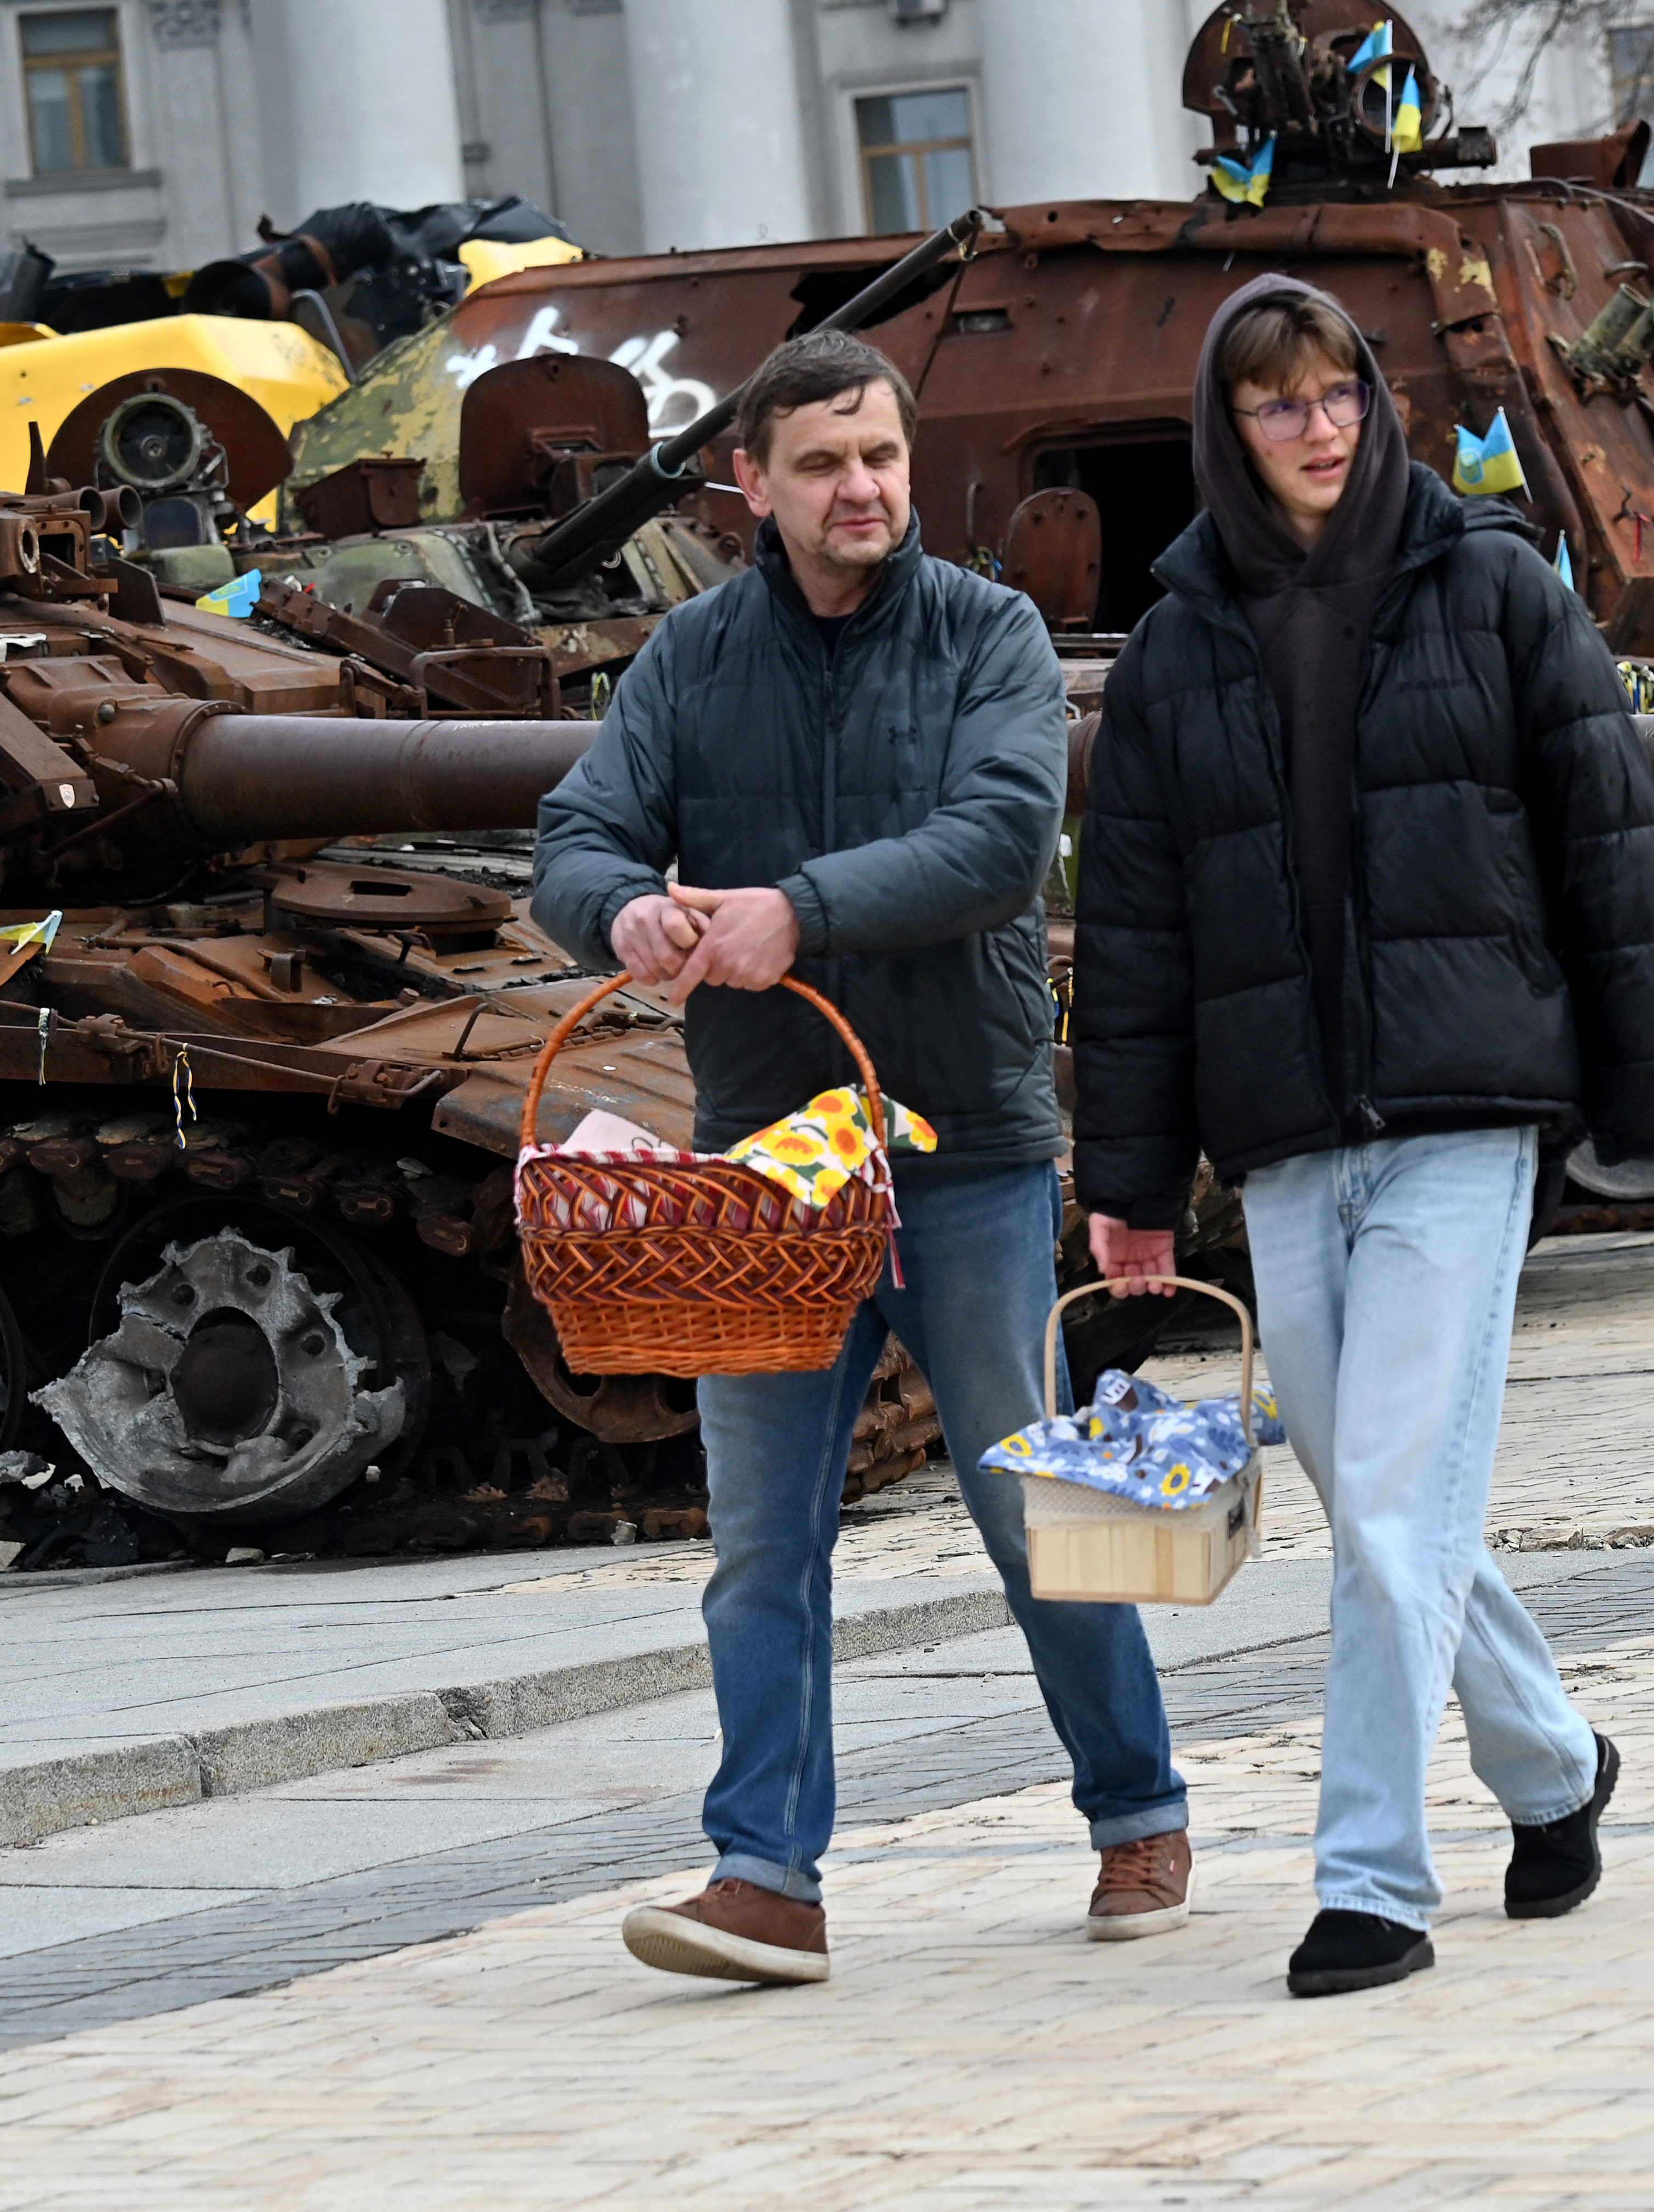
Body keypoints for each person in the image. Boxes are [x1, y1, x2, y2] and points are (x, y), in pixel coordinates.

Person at [535, 330, 1192, 1988]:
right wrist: (623, 910)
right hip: (769, 1179)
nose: (861, 489)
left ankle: (1138, 1805)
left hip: (964, 1152)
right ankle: (767, 1876)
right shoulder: (691, 655)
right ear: (751, 482)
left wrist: (798, 909)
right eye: (822, 462)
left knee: (1037, 1507)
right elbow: (576, 835)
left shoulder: (990, 633)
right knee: (761, 1539)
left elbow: (997, 840)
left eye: (881, 456)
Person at [1071, 276, 1654, 1998]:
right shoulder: (1177, 648)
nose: (1321, 427)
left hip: (1462, 1114)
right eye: (1279, 402)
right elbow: (1137, 941)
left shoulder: (1493, 587)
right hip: (1286, 1137)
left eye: (1341, 389)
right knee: (1379, 1510)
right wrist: (1130, 1184)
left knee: (1399, 1505)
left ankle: (1369, 1883)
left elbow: (1610, 844)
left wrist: (1649, 1091)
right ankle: (1555, 1770)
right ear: (1228, 429)